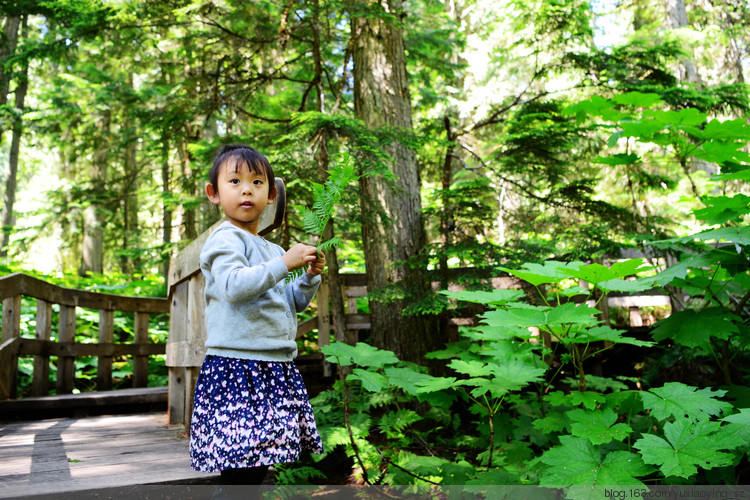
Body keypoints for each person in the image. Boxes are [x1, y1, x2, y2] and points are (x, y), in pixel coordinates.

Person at [189, 144, 325, 485]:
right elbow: (234, 287)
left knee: (257, 467)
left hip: (272, 366)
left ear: (271, 195)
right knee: (241, 470)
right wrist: (284, 264)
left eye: (257, 182)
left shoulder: (271, 249)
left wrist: (308, 278)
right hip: (237, 367)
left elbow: (288, 303)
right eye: (234, 181)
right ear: (214, 193)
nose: (246, 189)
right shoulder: (224, 239)